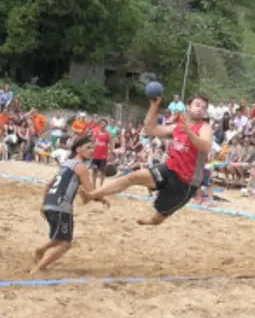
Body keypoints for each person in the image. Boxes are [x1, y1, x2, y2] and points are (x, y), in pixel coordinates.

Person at [90, 95, 213, 225]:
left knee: (158, 217)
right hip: (169, 168)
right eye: (197, 105)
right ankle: (94, 194)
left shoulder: (205, 127)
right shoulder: (177, 127)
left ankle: (151, 221)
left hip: (186, 181)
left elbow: (205, 147)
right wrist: (154, 106)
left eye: (204, 107)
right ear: (188, 106)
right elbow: (150, 129)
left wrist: (188, 131)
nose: (201, 109)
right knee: (133, 176)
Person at [32, 137, 105, 273]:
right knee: (65, 243)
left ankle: (40, 254)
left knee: (60, 238)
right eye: (88, 147)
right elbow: (91, 191)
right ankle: (38, 267)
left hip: (50, 203)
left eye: (93, 148)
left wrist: (43, 204)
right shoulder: (80, 167)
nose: (92, 150)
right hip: (61, 207)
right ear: (78, 149)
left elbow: (48, 185)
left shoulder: (67, 164)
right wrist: (103, 199)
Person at [91, 119, 113, 186]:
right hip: (95, 154)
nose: (103, 125)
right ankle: (93, 185)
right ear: (100, 124)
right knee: (94, 170)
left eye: (104, 124)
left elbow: (110, 144)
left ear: (106, 125)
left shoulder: (108, 134)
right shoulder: (95, 131)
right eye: (102, 124)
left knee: (103, 171)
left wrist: (110, 154)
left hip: (103, 155)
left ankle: (101, 185)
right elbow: (92, 141)